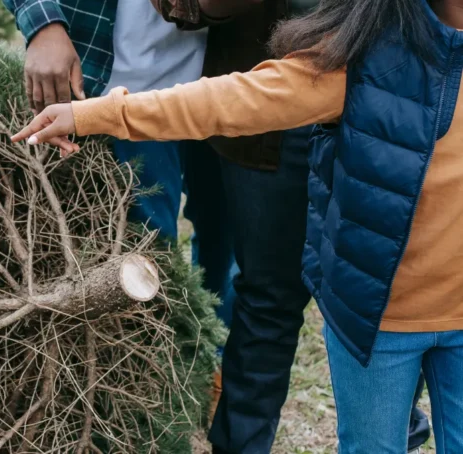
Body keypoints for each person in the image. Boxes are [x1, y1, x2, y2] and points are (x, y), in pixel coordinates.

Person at [12, 0, 463, 452]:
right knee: (267, 301)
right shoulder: (361, 59)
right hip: (379, 325)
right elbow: (234, 100)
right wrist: (95, 114)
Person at [148, 1, 431, 452]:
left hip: (394, 102)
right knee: (268, 299)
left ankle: (395, 433)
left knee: (391, 290)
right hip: (270, 110)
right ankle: (240, 445)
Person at [0, 0, 239, 334]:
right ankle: (155, 360)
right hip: (115, 89)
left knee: (229, 243)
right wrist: (43, 24)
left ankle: (209, 362)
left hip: (232, 83)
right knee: (143, 257)